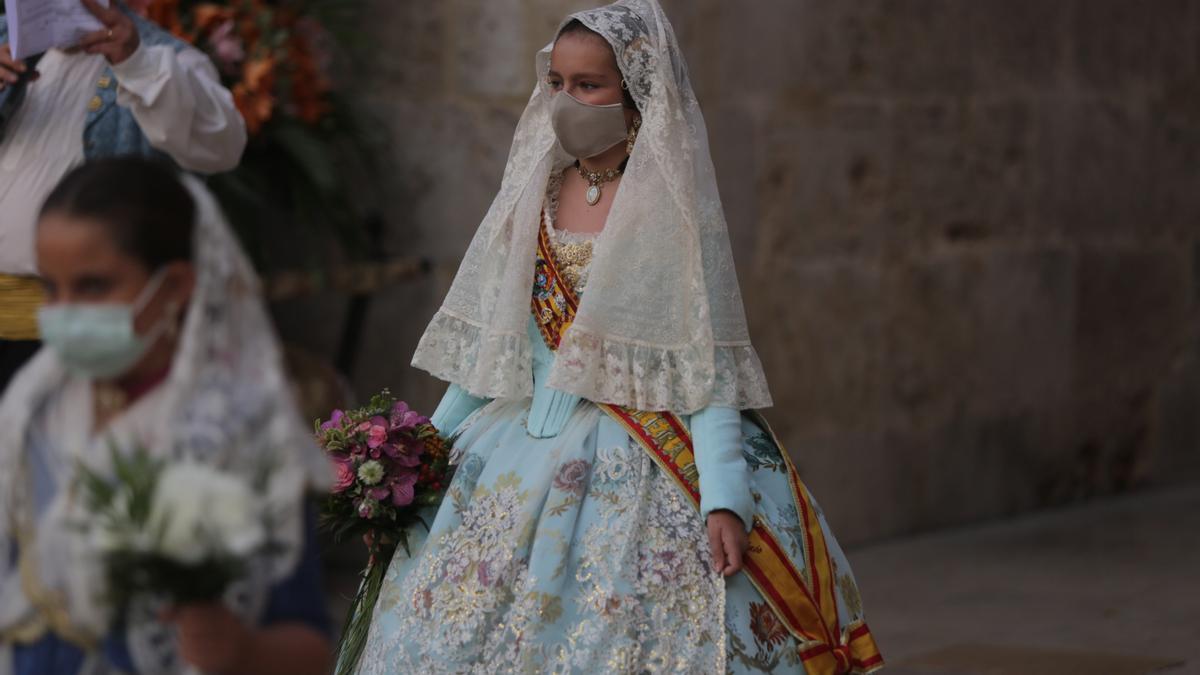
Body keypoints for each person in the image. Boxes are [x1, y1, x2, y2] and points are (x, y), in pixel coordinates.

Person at [355, 1, 883, 673]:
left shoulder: (671, 212)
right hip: (514, 441)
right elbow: (496, 348)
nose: (566, 100)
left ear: (635, 96)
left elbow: (704, 366)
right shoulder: (536, 194)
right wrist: (423, 453)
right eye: (558, 83)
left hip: (642, 451)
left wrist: (724, 495)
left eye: (588, 85)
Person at [0, 158, 331, 675]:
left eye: (92, 286)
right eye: (51, 288)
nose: (63, 312)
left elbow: (310, 647)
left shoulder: (241, 432)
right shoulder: (31, 409)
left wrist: (240, 650)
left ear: (175, 285)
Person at [0, 0, 246, 393]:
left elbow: (221, 147)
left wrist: (137, 64)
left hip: (69, 328)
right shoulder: (6, 41)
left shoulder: (166, 59)